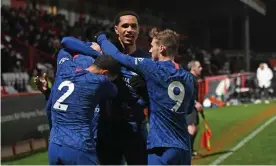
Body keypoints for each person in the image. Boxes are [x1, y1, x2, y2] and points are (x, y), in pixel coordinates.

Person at [95, 28, 195, 165]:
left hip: (161, 147)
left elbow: (117, 55)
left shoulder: (152, 67)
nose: (149, 50)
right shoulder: (189, 78)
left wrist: (101, 38)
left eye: (152, 46)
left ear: (161, 48)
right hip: (183, 148)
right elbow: (188, 109)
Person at [61, 11, 150, 165]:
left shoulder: (147, 58)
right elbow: (66, 42)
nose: (129, 30)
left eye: (133, 26)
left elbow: (156, 95)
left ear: (138, 30)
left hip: (135, 126)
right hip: (108, 128)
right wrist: (96, 52)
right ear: (116, 29)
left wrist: (145, 89)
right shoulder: (105, 51)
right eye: (125, 26)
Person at [47, 48, 121, 165]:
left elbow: (63, 49)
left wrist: (89, 49)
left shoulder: (65, 68)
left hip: (54, 145)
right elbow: (114, 92)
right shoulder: (100, 81)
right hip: (78, 146)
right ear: (104, 73)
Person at [186, 60, 204, 156]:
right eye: (199, 66)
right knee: (191, 129)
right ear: (193, 68)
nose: (201, 68)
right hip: (189, 107)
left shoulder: (194, 79)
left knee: (196, 128)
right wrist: (195, 103)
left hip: (192, 107)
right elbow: (186, 93)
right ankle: (185, 151)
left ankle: (190, 150)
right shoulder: (189, 78)